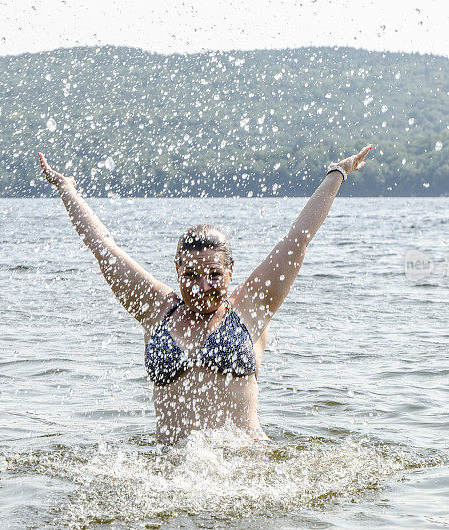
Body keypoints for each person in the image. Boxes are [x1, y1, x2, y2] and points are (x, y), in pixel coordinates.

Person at [37, 144, 373, 445]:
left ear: (231, 271)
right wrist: (67, 190)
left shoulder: (250, 308)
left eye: (214, 275)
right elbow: (103, 249)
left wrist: (337, 173)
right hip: (173, 468)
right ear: (176, 271)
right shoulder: (157, 309)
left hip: (246, 466)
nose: (202, 286)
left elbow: (297, 239)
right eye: (191, 275)